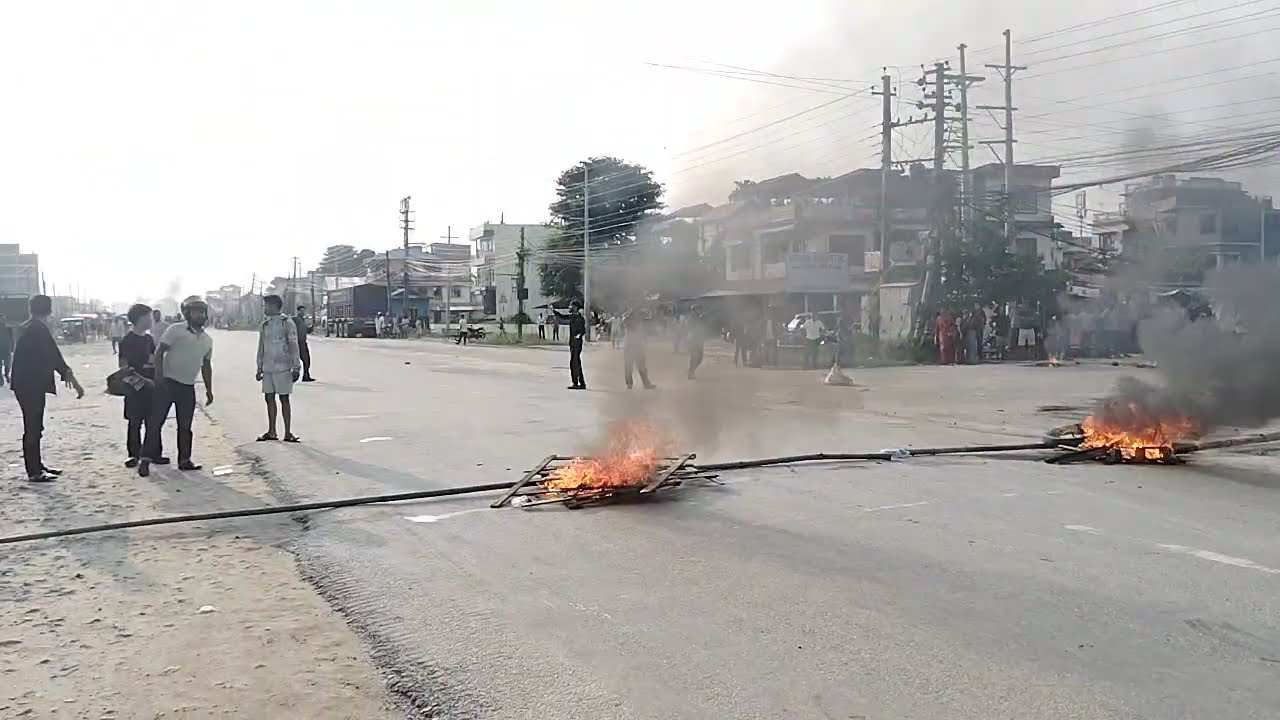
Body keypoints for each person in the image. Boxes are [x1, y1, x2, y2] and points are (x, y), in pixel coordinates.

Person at [10, 295, 85, 482]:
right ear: (49, 310)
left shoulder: (28, 326)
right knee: (33, 427)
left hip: (25, 384)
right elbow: (53, 355)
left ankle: (37, 465)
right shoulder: (37, 329)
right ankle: (34, 471)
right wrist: (72, 379)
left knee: (35, 426)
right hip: (30, 384)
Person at [139, 296, 213, 476]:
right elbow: (159, 352)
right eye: (196, 312)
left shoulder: (206, 339)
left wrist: (209, 390)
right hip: (167, 383)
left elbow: (206, 365)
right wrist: (158, 376)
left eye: (203, 312)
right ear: (187, 313)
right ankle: (145, 460)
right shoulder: (175, 330)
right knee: (155, 423)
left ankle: (184, 460)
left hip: (187, 387)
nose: (201, 315)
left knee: (185, 426)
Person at [258, 295, 302, 443]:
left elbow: (294, 346)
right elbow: (261, 347)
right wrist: (259, 367)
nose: (265, 308)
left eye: (267, 305)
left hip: (283, 366)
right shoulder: (265, 324)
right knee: (268, 397)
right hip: (268, 367)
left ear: (275, 306)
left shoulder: (287, 323)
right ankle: (272, 431)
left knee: (284, 398)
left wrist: (296, 366)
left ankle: (288, 432)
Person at [622, 310, 656, 390]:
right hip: (631, 345)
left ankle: (642, 383)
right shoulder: (628, 322)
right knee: (630, 365)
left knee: (638, 365)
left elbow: (642, 334)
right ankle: (632, 384)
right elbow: (624, 320)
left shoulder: (633, 323)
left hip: (634, 345)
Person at [566, 303, 587, 389]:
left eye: (572, 306)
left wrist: (579, 335)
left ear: (575, 308)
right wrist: (553, 311)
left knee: (575, 362)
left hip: (577, 343)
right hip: (572, 343)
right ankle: (577, 382)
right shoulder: (572, 317)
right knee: (573, 363)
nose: (570, 307)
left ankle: (580, 383)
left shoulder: (580, 318)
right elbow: (562, 317)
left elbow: (583, 330)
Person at [294, 305, 315, 382]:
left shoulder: (303, 321)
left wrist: (311, 328)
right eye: (301, 311)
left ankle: (306, 375)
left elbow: (306, 331)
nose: (302, 312)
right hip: (297, 343)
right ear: (298, 311)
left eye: (303, 311)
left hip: (303, 343)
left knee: (307, 360)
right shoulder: (295, 320)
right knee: (296, 361)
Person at [686, 308, 707, 380]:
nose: (699, 310)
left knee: (700, 358)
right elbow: (691, 327)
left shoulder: (698, 317)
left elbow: (702, 328)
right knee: (694, 357)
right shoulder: (691, 318)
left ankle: (691, 371)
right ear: (693, 311)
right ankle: (691, 372)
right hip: (693, 340)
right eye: (697, 310)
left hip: (699, 340)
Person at [0, 314, 12, 387]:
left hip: (6, 348)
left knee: (7, 363)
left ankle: (7, 375)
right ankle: (0, 379)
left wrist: (12, 347)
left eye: (3, 319)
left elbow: (11, 338)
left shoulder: (8, 328)